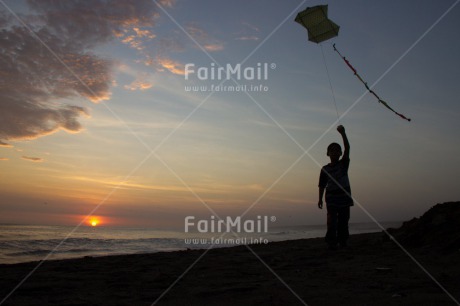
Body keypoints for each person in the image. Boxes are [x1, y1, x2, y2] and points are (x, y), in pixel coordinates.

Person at [318, 125, 353, 249]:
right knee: (331, 222)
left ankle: (343, 241)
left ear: (340, 153)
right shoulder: (325, 169)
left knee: (343, 221)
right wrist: (320, 199)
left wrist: (343, 133)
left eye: (337, 150)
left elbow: (348, 148)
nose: (334, 152)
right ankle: (331, 243)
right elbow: (321, 185)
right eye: (332, 150)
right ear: (327, 153)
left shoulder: (343, 164)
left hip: (344, 199)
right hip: (331, 199)